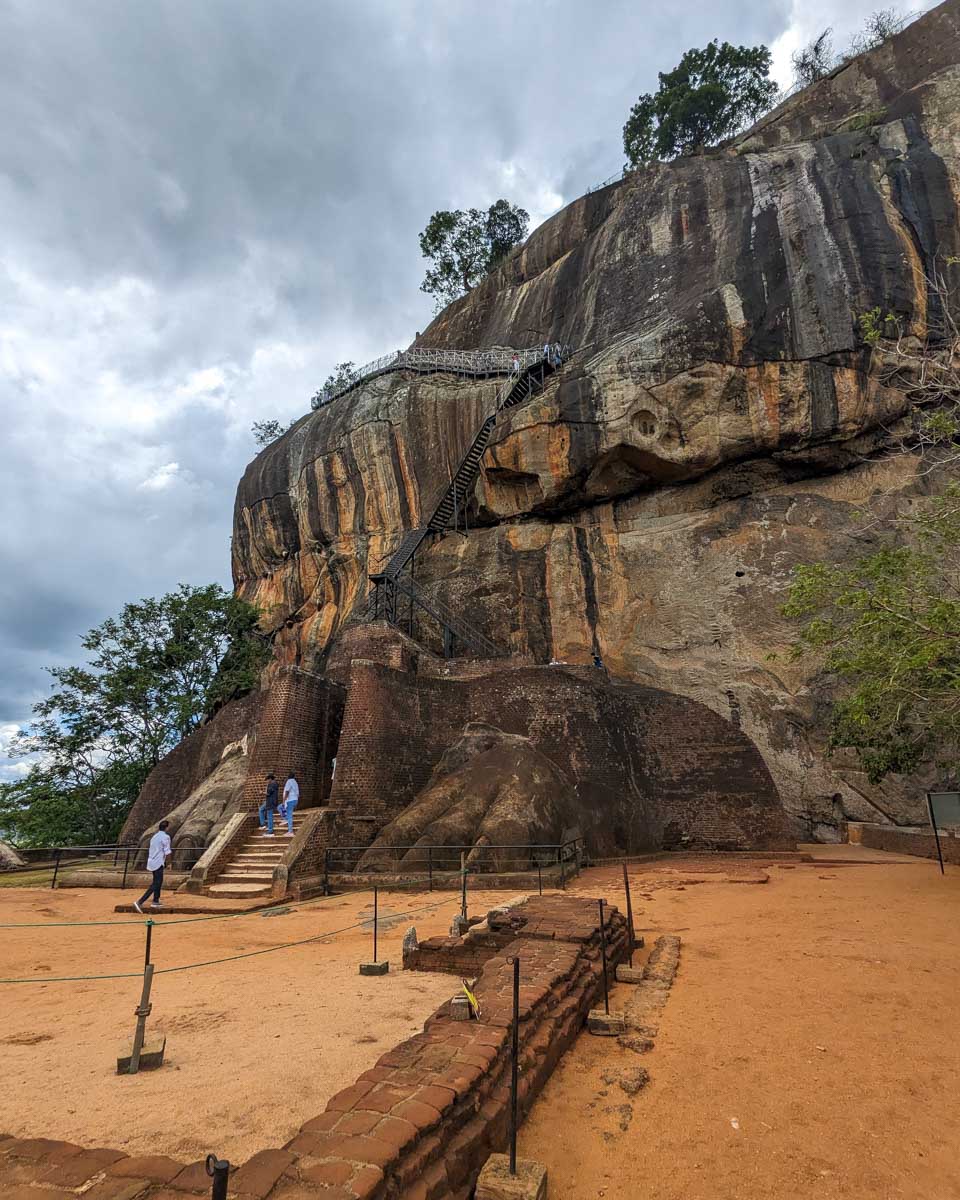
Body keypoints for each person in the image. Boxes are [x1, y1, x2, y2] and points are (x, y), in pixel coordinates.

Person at [133, 820, 172, 913]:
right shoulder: (166, 837)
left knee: (158, 881)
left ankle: (156, 900)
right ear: (166, 828)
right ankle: (140, 901)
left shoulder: (154, 837)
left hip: (152, 861)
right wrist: (170, 863)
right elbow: (167, 851)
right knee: (156, 883)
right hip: (158, 862)